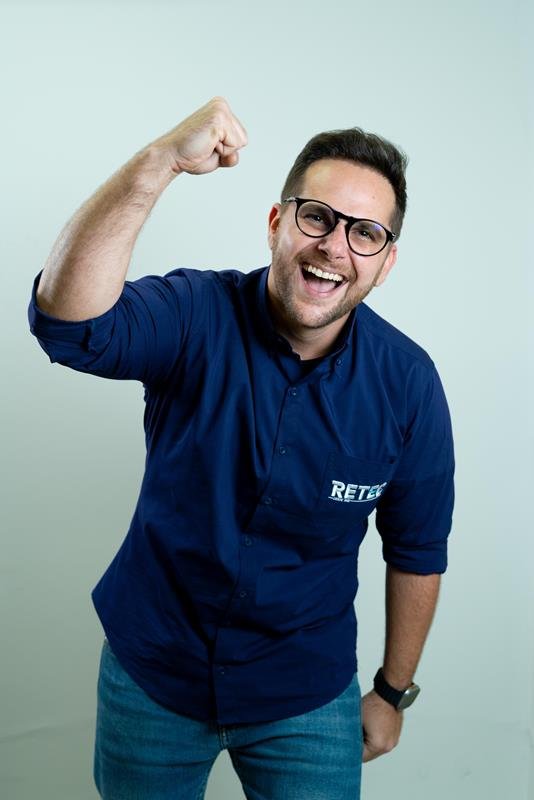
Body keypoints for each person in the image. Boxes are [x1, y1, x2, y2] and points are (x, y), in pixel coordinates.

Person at [28, 97, 454, 800]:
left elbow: (417, 548)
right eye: (317, 218)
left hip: (305, 693)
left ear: (386, 262)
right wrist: (160, 161)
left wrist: (391, 691)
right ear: (276, 223)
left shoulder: (408, 384)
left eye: (365, 233)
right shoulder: (195, 313)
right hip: (153, 675)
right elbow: (68, 325)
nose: (334, 247)